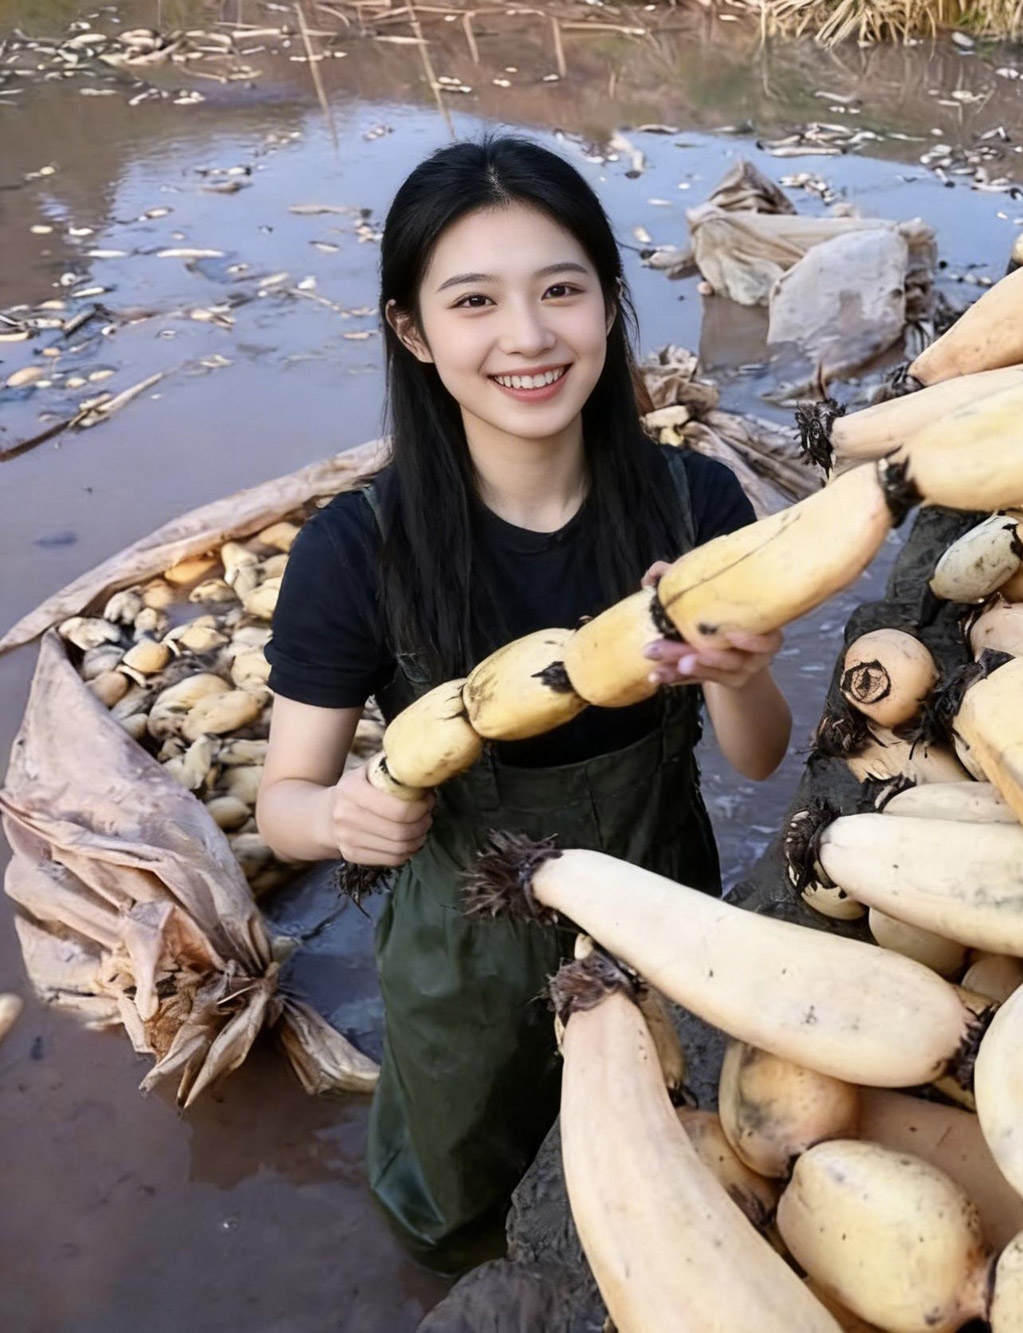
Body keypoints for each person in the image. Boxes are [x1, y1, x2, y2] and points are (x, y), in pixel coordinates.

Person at [256, 133, 792, 1276]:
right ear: (412, 330)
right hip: (462, 958)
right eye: (473, 302)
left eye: (561, 290)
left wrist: (739, 676)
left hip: (659, 914)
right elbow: (281, 805)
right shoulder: (356, 551)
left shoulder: (692, 502)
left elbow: (757, 761)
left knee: (672, 1185)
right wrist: (343, 817)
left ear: (608, 301)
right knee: (458, 1211)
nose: (528, 337)